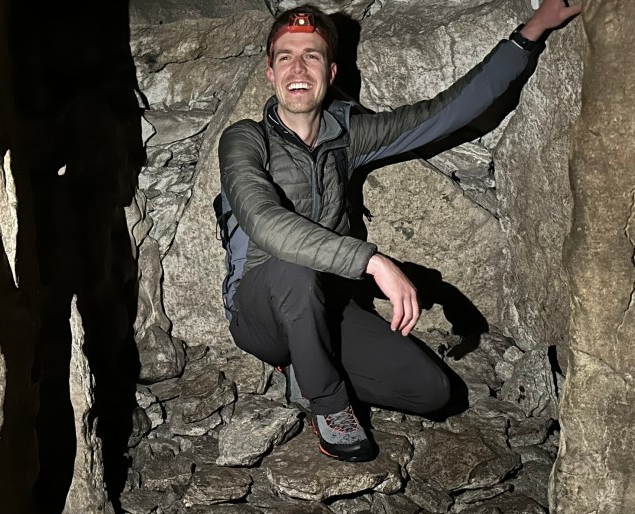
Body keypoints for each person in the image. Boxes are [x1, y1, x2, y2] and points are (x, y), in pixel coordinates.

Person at [217, 1, 581, 462]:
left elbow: (444, 112)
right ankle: (328, 404)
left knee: (432, 391)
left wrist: (532, 31)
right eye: (286, 56)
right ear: (270, 73)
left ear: (330, 72)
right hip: (260, 312)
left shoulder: (347, 138)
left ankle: (304, 372)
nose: (298, 68)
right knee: (294, 271)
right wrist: (372, 261)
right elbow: (263, 220)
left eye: (311, 56)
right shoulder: (245, 139)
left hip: (327, 305)